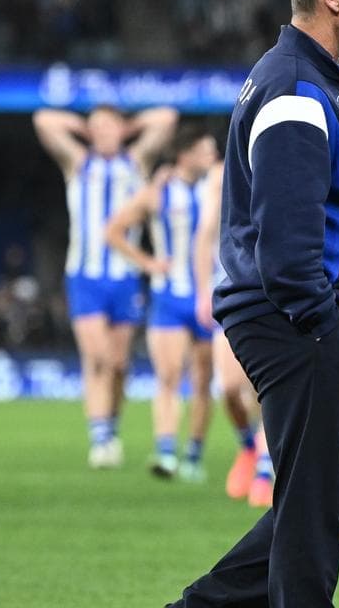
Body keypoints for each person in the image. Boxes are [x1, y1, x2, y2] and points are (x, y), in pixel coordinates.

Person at [170, 0, 339, 607]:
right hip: (303, 320)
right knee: (313, 509)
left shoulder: (316, 81)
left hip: (329, 319)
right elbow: (288, 245)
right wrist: (327, 331)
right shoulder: (296, 91)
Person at [33, 104, 175, 468]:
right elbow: (43, 120)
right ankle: (100, 438)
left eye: (110, 128)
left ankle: (111, 425)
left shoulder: (136, 162)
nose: (105, 134)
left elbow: (167, 117)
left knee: (118, 363)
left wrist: (128, 128)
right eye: (98, 129)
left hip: (125, 278)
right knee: (95, 358)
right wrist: (85, 127)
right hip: (85, 276)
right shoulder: (78, 163)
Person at [106, 125, 218, 480]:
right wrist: (148, 263)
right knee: (168, 376)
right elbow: (113, 230)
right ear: (184, 155)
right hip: (168, 295)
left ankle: (194, 455)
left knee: (203, 381)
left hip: (210, 298)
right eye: (204, 150)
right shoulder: (158, 194)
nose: (211, 157)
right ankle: (166, 452)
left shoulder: (217, 187)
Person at [194, 161, 274, 507]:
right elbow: (205, 235)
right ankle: (248, 447)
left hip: (269, 290)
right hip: (228, 291)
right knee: (228, 388)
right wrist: (201, 291)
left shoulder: (281, 152)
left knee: (266, 388)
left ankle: (266, 469)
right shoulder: (221, 173)